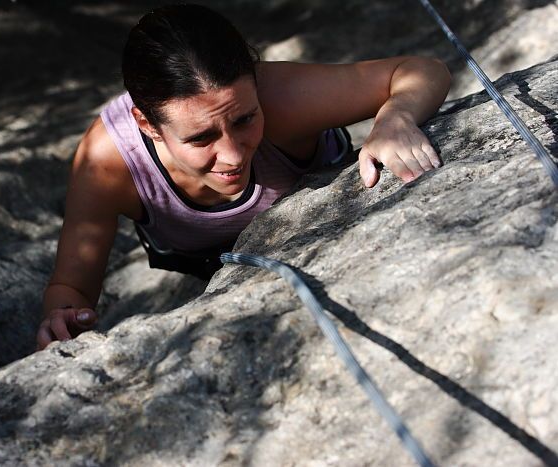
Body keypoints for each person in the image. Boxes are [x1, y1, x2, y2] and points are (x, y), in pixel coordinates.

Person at [36, 4, 451, 350]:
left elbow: (421, 70)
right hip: (204, 258)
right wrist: (61, 320)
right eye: (201, 137)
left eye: (245, 119)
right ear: (147, 125)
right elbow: (71, 288)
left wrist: (396, 117)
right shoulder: (108, 162)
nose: (232, 154)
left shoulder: (280, 98)